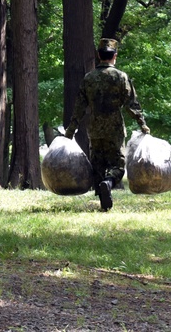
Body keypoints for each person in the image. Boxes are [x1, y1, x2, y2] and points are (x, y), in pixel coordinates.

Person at [65, 37, 150, 212]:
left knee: (98, 165)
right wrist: (142, 125)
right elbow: (131, 105)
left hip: (94, 129)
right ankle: (108, 183)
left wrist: (70, 130)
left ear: (98, 55)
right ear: (115, 56)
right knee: (117, 166)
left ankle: (104, 203)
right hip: (115, 129)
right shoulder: (121, 77)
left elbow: (79, 107)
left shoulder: (89, 78)